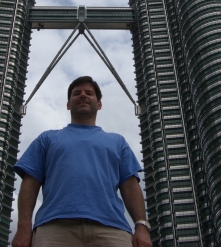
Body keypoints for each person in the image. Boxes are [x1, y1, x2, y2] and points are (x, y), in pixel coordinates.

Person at [12, 76, 153, 247]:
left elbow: (130, 186)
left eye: (89, 93)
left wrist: (141, 226)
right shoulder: (47, 139)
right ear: (68, 104)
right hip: (54, 228)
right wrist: (24, 227)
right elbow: (30, 183)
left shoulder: (118, 142)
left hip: (112, 229)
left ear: (99, 104)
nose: (83, 96)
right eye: (76, 93)